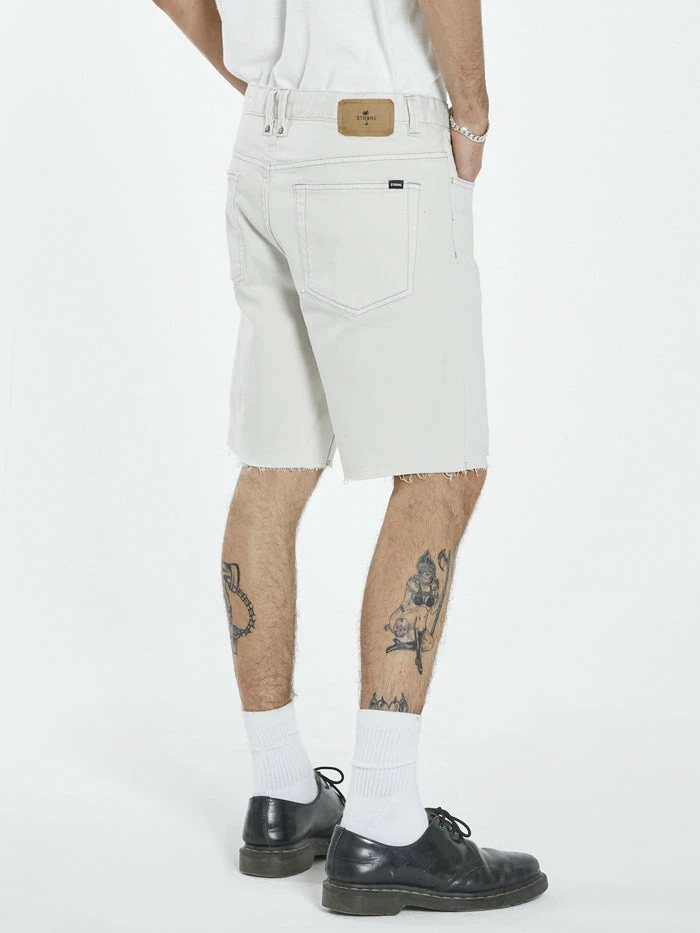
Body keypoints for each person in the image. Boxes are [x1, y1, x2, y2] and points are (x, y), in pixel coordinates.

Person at [153, 0, 547, 915]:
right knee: (442, 468)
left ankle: (281, 795)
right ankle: (383, 820)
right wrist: (472, 115)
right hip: (376, 149)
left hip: (265, 148)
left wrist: (267, 86)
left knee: (274, 462)